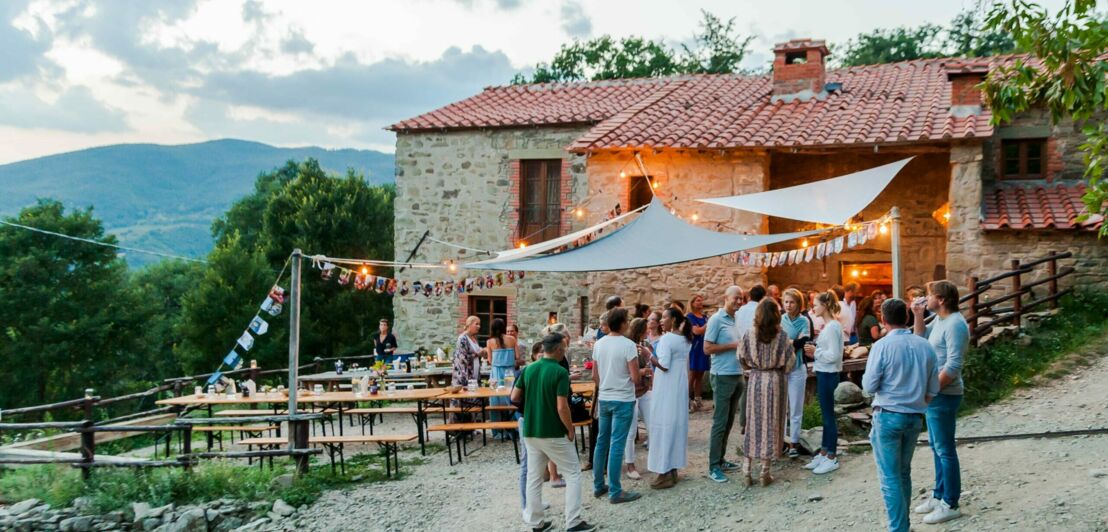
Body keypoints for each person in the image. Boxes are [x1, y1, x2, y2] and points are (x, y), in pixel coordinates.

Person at [863, 298, 939, 532]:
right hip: (914, 417)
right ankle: (903, 525)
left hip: (888, 415)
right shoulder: (924, 345)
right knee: (903, 472)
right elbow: (933, 388)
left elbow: (868, 385)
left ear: (883, 321)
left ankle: (899, 529)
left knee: (890, 477)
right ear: (907, 318)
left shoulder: (882, 346)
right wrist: (917, 403)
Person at [514, 332, 597, 532]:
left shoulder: (529, 369)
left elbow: (515, 396)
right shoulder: (560, 372)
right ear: (559, 349)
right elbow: (562, 407)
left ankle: (536, 522)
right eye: (564, 348)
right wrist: (570, 429)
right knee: (573, 473)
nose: (565, 352)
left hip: (531, 430)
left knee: (534, 477)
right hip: (553, 431)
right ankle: (573, 521)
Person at [912, 280, 969, 525]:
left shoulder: (955, 323)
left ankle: (951, 502)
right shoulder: (940, 320)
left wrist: (931, 390)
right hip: (936, 393)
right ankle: (939, 494)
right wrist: (916, 314)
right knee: (936, 446)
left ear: (941, 300)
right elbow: (919, 338)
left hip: (945, 393)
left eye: (929, 295)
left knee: (945, 449)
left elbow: (954, 365)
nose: (926, 298)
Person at [739, 299, 795, 487]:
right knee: (772, 423)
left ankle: (746, 469)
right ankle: (765, 471)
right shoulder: (782, 336)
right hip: (775, 380)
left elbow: (741, 357)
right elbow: (789, 362)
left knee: (753, 422)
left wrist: (752, 367)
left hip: (756, 379)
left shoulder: (749, 334)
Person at [590, 307, 642, 504]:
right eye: (627, 320)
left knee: (602, 442)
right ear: (621, 323)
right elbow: (635, 377)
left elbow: (595, 375)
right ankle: (615, 491)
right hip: (623, 399)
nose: (628, 323)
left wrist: (605, 386)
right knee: (617, 444)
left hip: (605, 397)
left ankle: (598, 485)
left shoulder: (599, 344)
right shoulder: (628, 345)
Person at [647, 307, 692, 489]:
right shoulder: (685, 339)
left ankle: (663, 471)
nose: (660, 321)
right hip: (679, 385)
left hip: (666, 386)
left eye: (664, 317)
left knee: (662, 424)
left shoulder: (666, 339)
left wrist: (649, 355)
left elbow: (664, 365)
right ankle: (672, 467)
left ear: (673, 320)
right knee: (675, 425)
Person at [704, 285, 745, 483]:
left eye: (741, 298)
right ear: (725, 298)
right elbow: (707, 348)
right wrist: (732, 346)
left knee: (729, 422)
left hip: (737, 373)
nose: (739, 301)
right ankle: (713, 467)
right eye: (736, 298)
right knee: (720, 422)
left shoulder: (736, 320)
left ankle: (720, 460)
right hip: (722, 375)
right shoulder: (716, 319)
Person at [803, 290, 843, 475]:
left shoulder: (833, 327)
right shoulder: (829, 326)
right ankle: (825, 451)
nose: (813, 308)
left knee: (829, 417)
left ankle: (832, 456)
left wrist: (815, 352)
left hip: (829, 374)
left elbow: (834, 355)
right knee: (825, 416)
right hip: (823, 373)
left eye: (816, 304)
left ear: (825, 305)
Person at [780, 288, 811, 459]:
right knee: (782, 406)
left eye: (792, 302)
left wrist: (788, 341)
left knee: (796, 407)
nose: (788, 305)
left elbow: (802, 342)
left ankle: (794, 442)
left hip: (797, 367)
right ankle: (781, 441)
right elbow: (776, 341)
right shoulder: (780, 319)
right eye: (786, 302)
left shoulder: (804, 321)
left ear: (798, 304)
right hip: (782, 367)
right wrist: (791, 341)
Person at [623, 318, 653, 480]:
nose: (648, 332)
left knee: (653, 425)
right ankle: (630, 465)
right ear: (640, 330)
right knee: (631, 430)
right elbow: (624, 371)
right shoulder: (627, 345)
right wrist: (641, 371)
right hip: (630, 392)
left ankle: (657, 462)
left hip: (645, 390)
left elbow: (652, 362)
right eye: (646, 329)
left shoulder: (644, 345)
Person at [733, 284, 765, 434]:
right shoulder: (761, 310)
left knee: (746, 387)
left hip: (742, 350)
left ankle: (744, 423)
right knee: (759, 385)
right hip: (758, 351)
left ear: (750, 296)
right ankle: (756, 421)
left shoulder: (740, 311)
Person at [487, 318, 519, 435]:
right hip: (509, 372)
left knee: (495, 400)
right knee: (511, 399)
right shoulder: (512, 339)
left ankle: (497, 430)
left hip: (496, 373)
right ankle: (514, 427)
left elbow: (490, 361)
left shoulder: (490, 342)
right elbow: (517, 355)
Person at [452, 316, 485, 423]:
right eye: (477, 324)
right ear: (469, 324)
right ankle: (460, 428)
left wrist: (482, 353)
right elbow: (462, 357)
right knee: (463, 402)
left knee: (474, 400)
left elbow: (476, 354)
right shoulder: (462, 338)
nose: (479, 327)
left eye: (480, 324)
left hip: (474, 374)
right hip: (464, 375)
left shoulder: (474, 339)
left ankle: (472, 426)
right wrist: (477, 354)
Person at [686, 295, 709, 412]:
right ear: (692, 303)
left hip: (703, 347)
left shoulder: (704, 317)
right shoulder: (690, 317)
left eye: (701, 300)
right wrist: (707, 324)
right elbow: (696, 331)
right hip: (694, 348)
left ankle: (698, 401)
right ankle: (687, 401)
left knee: (700, 375)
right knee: (692, 375)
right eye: (698, 300)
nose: (700, 302)